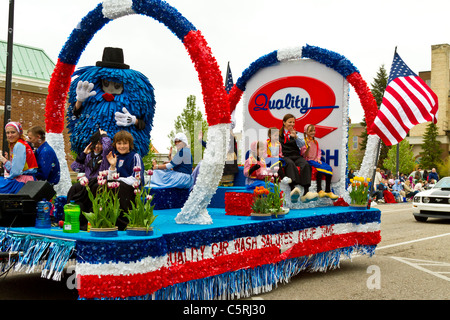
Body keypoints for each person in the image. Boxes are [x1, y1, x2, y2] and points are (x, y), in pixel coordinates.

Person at [67, 129, 113, 229]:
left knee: (96, 187)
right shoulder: (88, 157)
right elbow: (75, 167)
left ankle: (92, 222)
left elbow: (107, 147)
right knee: (74, 187)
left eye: (100, 144)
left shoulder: (105, 156)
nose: (97, 146)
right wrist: (83, 154)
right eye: (95, 143)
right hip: (87, 183)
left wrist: (104, 135)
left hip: (99, 182)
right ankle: (69, 216)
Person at [106, 130, 145, 230]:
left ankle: (123, 223)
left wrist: (118, 180)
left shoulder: (135, 156)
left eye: (125, 143)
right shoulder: (116, 157)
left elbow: (136, 179)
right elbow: (110, 180)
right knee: (97, 185)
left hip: (131, 191)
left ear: (130, 144)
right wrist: (112, 166)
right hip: (118, 189)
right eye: (119, 143)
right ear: (115, 144)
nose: (122, 146)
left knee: (118, 185)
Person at [279, 114, 317, 203]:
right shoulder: (277, 134)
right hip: (285, 156)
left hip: (296, 155)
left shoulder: (297, 133)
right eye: (290, 122)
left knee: (306, 164)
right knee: (290, 164)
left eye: (293, 122)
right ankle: (293, 188)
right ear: (284, 122)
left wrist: (296, 137)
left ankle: (306, 192)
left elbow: (302, 145)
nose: (292, 124)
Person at [300, 124, 338, 200]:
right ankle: (319, 190)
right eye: (310, 131)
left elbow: (318, 152)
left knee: (329, 168)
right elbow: (304, 154)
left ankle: (328, 190)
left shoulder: (316, 142)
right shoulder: (304, 142)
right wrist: (308, 147)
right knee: (319, 169)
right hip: (309, 160)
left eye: (314, 130)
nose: (313, 132)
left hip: (315, 160)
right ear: (306, 132)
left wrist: (318, 158)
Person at [0, 122, 38, 194]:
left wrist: (3, 160)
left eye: (13, 132)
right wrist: (4, 160)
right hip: (26, 179)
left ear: (19, 133)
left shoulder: (19, 145)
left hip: (22, 182)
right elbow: (15, 168)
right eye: (7, 133)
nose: (10, 135)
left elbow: (16, 171)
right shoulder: (21, 143)